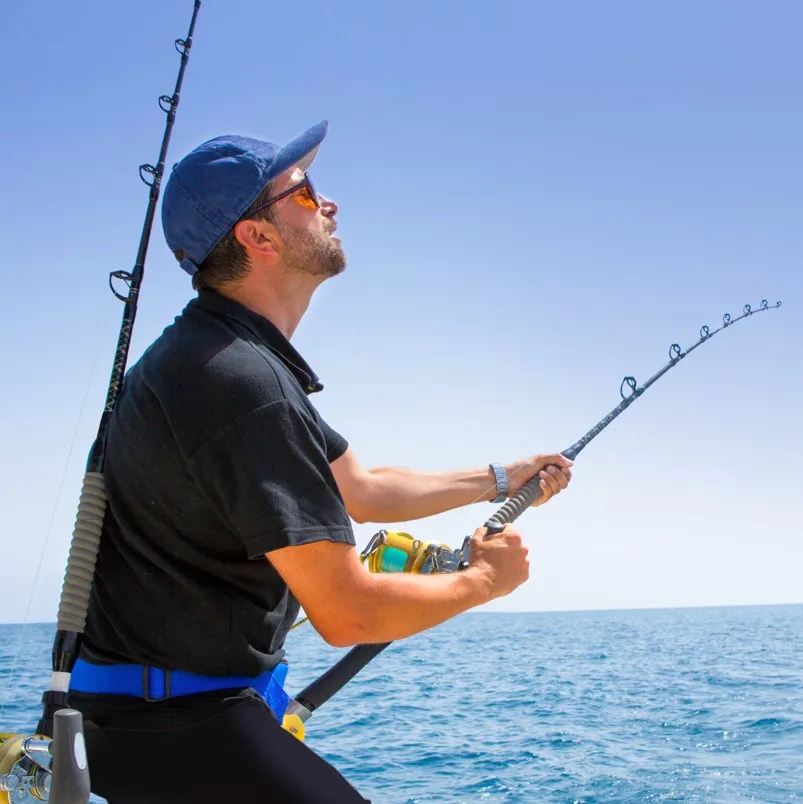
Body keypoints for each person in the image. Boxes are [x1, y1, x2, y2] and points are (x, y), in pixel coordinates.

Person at [67, 120, 574, 803]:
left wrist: (501, 481)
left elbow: (361, 489)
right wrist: (487, 580)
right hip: (176, 724)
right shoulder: (240, 385)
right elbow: (348, 613)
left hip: (143, 715)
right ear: (258, 237)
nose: (328, 203)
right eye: (303, 193)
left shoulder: (213, 357)